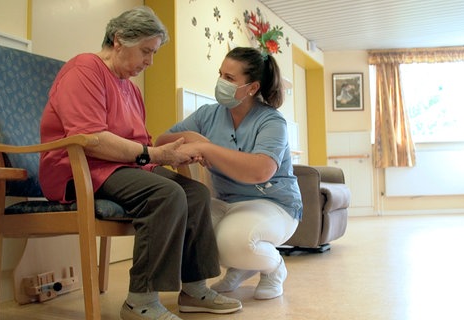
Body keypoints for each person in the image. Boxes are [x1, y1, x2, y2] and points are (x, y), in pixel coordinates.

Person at [38, 6, 241, 320]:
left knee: (195, 194)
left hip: (121, 169)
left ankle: (194, 288)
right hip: (78, 169)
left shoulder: (131, 90)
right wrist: (156, 156)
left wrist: (174, 152)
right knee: (165, 194)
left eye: (154, 53)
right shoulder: (84, 69)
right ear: (119, 40)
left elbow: (141, 144)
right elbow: (90, 138)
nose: (149, 61)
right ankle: (140, 300)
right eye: (146, 51)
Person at [157, 47, 302, 300]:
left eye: (230, 78)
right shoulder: (207, 114)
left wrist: (205, 148)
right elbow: (161, 143)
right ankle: (244, 265)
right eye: (221, 74)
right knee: (188, 234)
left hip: (273, 204)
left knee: (235, 243)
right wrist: (191, 137)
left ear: (252, 88)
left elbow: (260, 170)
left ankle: (273, 267)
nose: (221, 83)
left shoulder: (271, 121)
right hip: (225, 201)